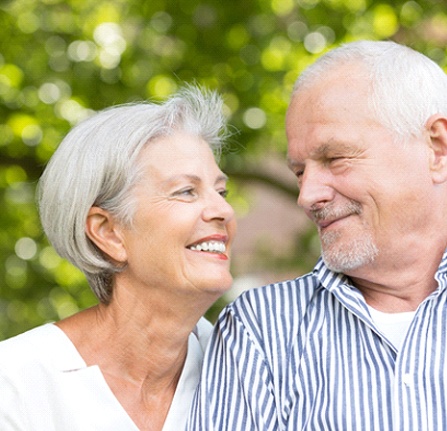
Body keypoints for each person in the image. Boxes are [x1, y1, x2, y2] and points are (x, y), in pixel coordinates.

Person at [187, 40, 447, 430]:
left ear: (437, 148)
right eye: (299, 172)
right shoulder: (261, 329)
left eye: (335, 158)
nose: (307, 196)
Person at [0, 85, 236, 430]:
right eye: (186, 191)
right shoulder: (15, 383)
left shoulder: (246, 371)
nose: (223, 210)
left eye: (221, 191)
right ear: (109, 232)